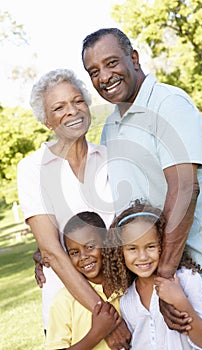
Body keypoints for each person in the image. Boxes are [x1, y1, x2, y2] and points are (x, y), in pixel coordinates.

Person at [81, 28, 202, 349]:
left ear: (133, 59)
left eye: (111, 63)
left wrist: (164, 279)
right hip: (155, 280)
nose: (104, 76)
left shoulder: (169, 103)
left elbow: (185, 190)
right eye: (94, 71)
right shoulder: (111, 125)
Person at [17, 68, 130, 349]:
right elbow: (52, 252)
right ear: (46, 121)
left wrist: (199, 172)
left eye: (78, 101)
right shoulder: (32, 169)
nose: (72, 111)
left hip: (126, 300)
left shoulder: (110, 157)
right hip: (72, 313)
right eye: (59, 107)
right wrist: (106, 317)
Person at [103, 200, 202, 349]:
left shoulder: (186, 279)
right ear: (119, 252)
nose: (143, 256)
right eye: (132, 248)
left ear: (163, 245)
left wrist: (180, 300)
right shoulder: (127, 298)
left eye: (150, 246)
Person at [46, 211, 121, 350]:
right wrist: (96, 334)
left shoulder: (125, 286)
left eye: (90, 246)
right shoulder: (64, 300)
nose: (83, 257)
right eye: (74, 252)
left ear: (106, 243)